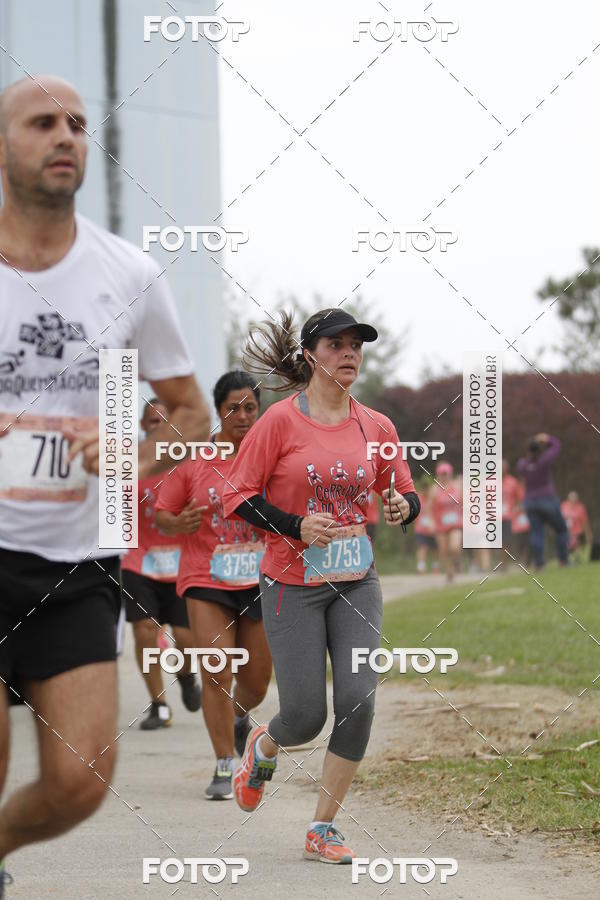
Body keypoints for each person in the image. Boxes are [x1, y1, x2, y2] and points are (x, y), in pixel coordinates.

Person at [0, 75, 210, 893]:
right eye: (43, 122)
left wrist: (135, 454)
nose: (66, 136)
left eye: (79, 125)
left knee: (79, 784)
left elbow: (192, 415)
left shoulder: (130, 274)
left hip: (75, 562)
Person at [221, 308, 421, 863]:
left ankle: (322, 828)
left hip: (357, 579)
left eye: (356, 344)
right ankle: (264, 742)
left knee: (357, 702)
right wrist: (294, 525)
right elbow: (237, 494)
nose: (349, 353)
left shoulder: (376, 426)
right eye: (337, 344)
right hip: (291, 581)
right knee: (306, 714)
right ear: (311, 354)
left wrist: (404, 507)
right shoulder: (279, 423)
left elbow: (403, 492)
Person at [155, 371, 272, 800]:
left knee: (257, 682)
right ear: (219, 410)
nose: (242, 416)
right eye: (232, 408)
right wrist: (177, 521)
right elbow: (162, 512)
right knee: (217, 668)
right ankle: (225, 761)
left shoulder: (272, 456)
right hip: (207, 578)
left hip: (261, 579)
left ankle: (239, 718)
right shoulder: (196, 459)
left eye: (250, 408)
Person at [121, 399, 202, 729]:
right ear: (143, 426)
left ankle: (184, 675)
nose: (157, 427)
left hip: (181, 564)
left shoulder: (188, 465)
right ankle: (159, 706)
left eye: (163, 422)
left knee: (185, 639)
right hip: (138, 563)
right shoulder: (128, 464)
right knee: (145, 632)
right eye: (151, 421)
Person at [517, 434, 568, 569]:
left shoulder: (522, 464)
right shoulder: (544, 460)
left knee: (536, 533)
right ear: (540, 449)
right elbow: (557, 445)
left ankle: (539, 564)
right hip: (547, 500)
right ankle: (563, 560)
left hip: (530, 503)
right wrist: (547, 438)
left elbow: (522, 468)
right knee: (561, 530)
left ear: (528, 450)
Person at [429, 462, 462, 582]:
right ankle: (450, 573)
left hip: (455, 523)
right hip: (440, 525)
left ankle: (457, 560)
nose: (444, 476)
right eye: (442, 474)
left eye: (446, 474)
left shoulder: (457, 486)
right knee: (444, 551)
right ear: (438, 475)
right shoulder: (434, 489)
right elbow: (428, 508)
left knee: (454, 547)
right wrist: (431, 522)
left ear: (450, 474)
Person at [561, 491, 592, 561]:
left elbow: (585, 522)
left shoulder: (581, 508)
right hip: (566, 531)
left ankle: (575, 557)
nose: (573, 499)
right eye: (571, 498)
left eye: (574, 498)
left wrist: (588, 534)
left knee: (573, 542)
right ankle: (567, 557)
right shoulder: (564, 505)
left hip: (577, 532)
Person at [414, 483, 438, 573]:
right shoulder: (418, 499)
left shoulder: (433, 499)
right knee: (422, 547)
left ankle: (436, 566)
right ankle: (421, 566)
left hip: (433, 529)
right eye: (423, 490)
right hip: (421, 529)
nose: (424, 492)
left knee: (435, 549)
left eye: (426, 490)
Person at [501, 459, 523, 555]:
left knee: (506, 541)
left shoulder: (513, 482)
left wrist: (517, 508)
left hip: (509, 517)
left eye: (503, 467)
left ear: (507, 469)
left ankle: (503, 563)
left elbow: (520, 499)